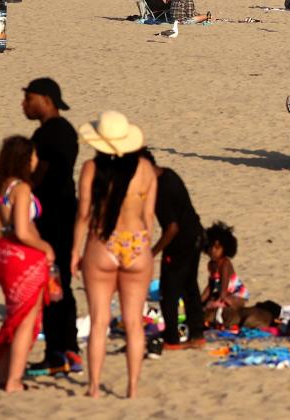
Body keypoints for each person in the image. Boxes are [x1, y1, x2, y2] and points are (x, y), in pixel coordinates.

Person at [73, 110, 156, 398]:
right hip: (136, 244)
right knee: (134, 323)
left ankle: (94, 387)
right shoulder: (145, 170)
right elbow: (148, 219)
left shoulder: (91, 169)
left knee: (99, 322)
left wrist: (74, 250)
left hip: (102, 245)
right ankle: (132, 387)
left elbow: (83, 214)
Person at [0, 135, 54, 392]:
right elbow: (23, 231)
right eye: (33, 156)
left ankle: (2, 374)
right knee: (25, 319)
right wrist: (45, 246)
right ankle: (14, 379)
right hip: (20, 256)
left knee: (15, 314)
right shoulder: (20, 189)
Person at [23, 77, 81, 376]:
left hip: (53, 218)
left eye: (28, 98)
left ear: (45, 99)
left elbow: (45, 174)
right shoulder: (64, 131)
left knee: (53, 285)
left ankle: (57, 351)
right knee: (61, 286)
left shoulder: (50, 134)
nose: (24, 104)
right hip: (63, 215)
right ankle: (67, 348)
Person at [143, 150, 205, 350]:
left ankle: (172, 339)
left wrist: (152, 253)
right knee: (190, 288)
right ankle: (197, 335)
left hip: (180, 243)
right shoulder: (169, 174)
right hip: (195, 235)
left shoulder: (160, 188)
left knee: (169, 293)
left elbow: (172, 228)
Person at [200, 221, 246, 329]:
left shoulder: (225, 263)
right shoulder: (211, 265)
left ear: (225, 249)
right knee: (206, 302)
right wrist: (199, 300)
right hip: (223, 293)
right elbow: (210, 286)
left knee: (218, 304)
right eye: (211, 247)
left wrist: (219, 300)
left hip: (236, 295)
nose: (213, 251)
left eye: (217, 248)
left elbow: (224, 284)